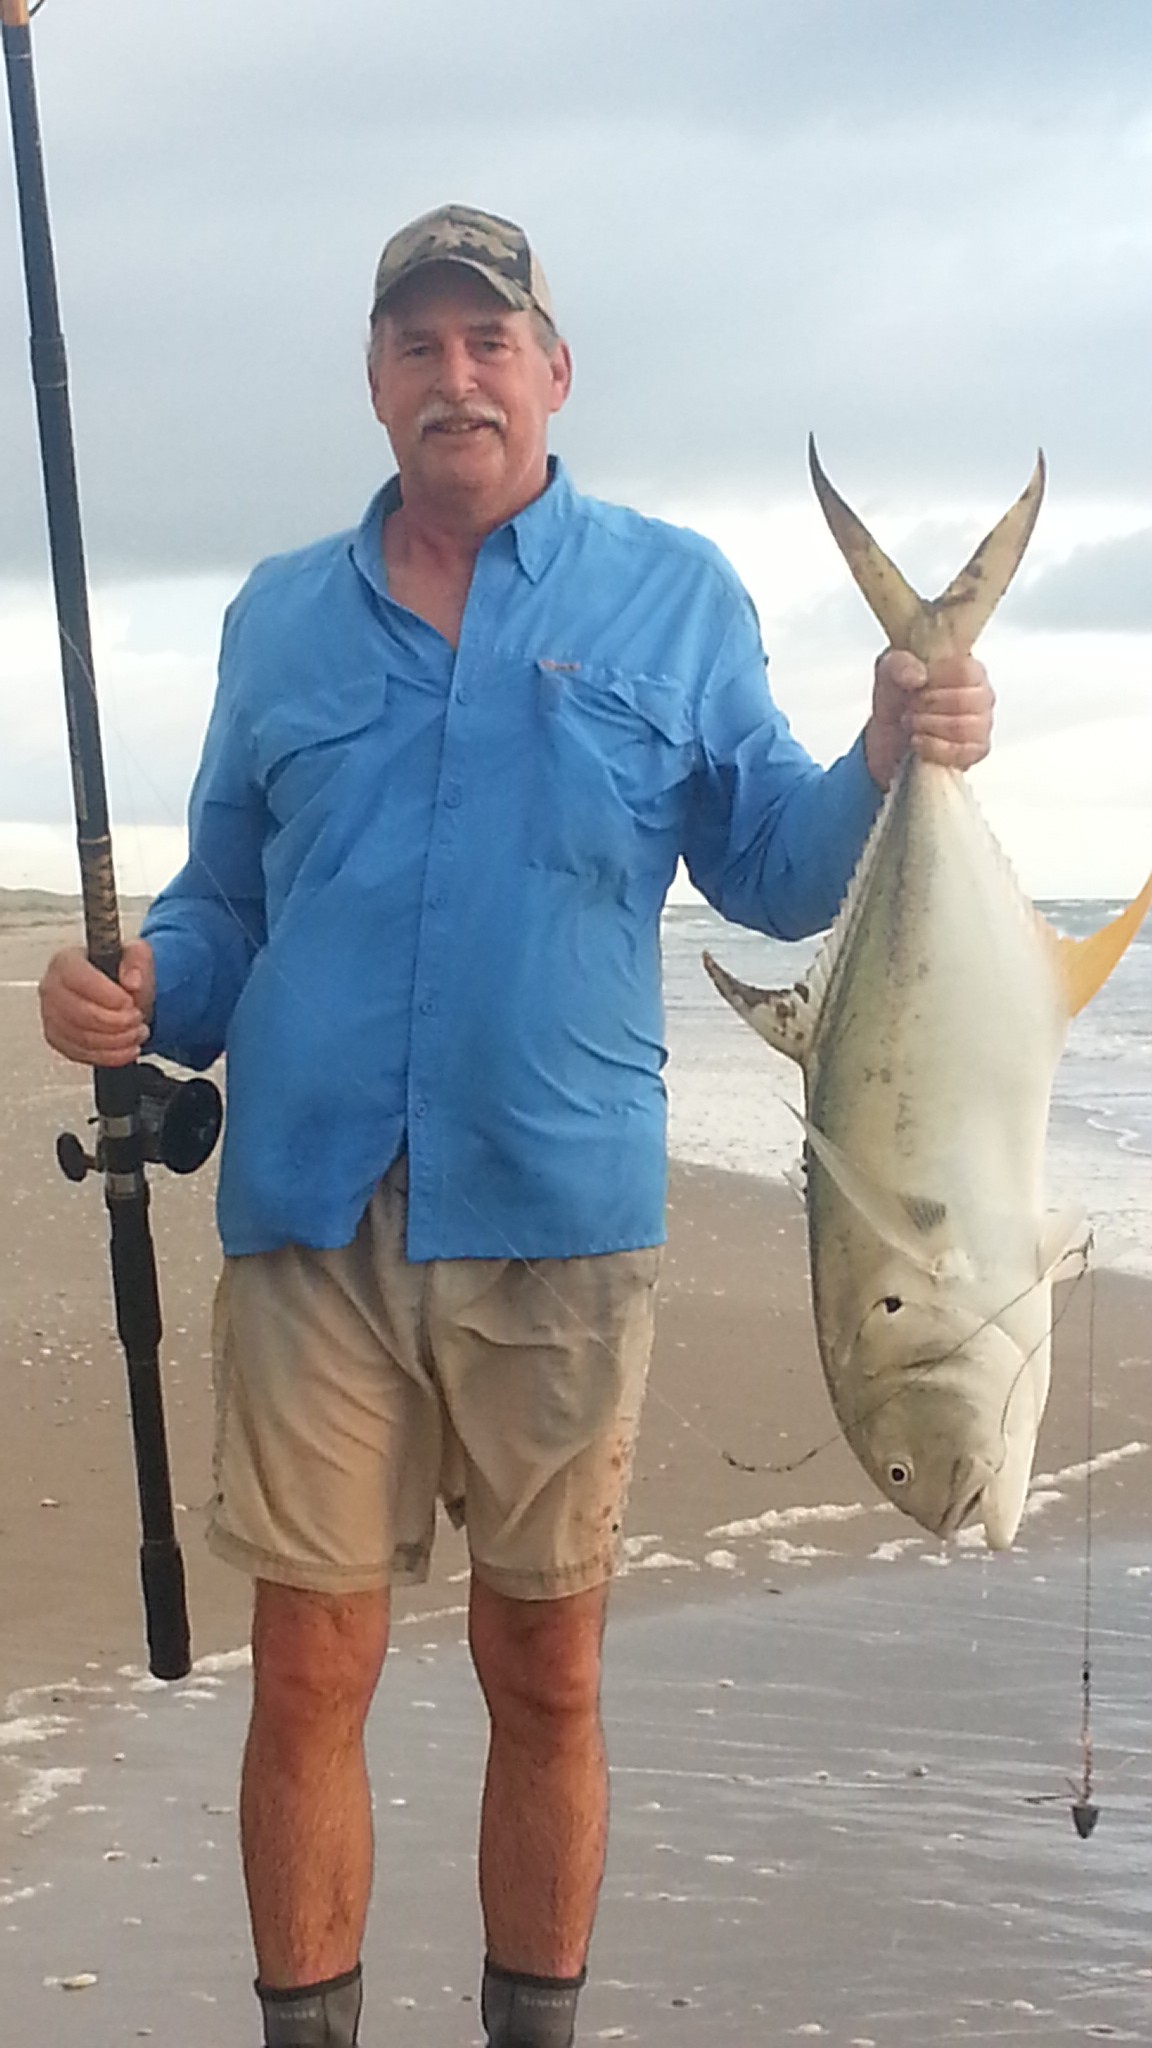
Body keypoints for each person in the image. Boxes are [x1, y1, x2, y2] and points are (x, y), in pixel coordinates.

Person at [39, 204, 994, 2048]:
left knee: (544, 1671)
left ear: (554, 371)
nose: (454, 374)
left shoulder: (674, 594)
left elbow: (783, 873)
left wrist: (895, 748)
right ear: (377, 381)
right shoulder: (277, 616)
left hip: (561, 1219)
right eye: (418, 344)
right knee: (309, 1668)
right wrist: (143, 984)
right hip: (312, 1219)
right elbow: (225, 906)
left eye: (491, 342)